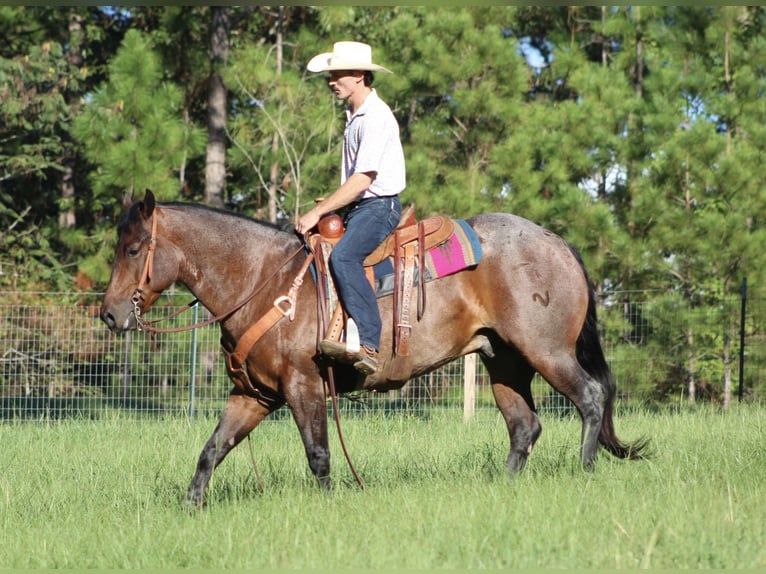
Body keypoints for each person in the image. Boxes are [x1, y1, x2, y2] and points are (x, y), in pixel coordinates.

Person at [296, 41, 406, 375]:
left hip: (379, 206)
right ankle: (336, 330)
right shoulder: (356, 115)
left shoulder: (375, 116)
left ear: (359, 75)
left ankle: (369, 345)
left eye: (338, 74)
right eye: (330, 74)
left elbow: (362, 180)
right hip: (362, 207)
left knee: (343, 257)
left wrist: (317, 212)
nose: (331, 81)